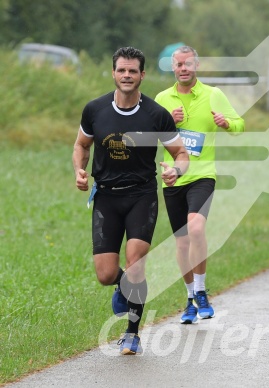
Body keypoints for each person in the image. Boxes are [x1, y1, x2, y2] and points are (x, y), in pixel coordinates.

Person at [72, 47, 189, 355]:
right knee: (106, 275)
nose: (126, 75)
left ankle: (132, 333)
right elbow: (82, 145)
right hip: (106, 197)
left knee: (136, 260)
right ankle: (123, 285)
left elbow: (181, 153)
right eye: (121, 70)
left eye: (132, 71)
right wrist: (79, 171)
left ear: (142, 75)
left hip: (141, 194)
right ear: (113, 73)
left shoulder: (155, 114)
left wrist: (176, 170)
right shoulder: (95, 110)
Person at [155, 46, 245, 324]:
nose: (183, 68)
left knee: (196, 227)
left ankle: (202, 290)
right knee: (182, 242)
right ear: (173, 67)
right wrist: (168, 123)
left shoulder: (213, 95)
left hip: (203, 174)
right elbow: (148, 137)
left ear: (197, 65)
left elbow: (240, 124)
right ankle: (190, 298)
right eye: (178, 64)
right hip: (173, 176)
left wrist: (226, 123)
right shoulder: (161, 99)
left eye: (188, 64)